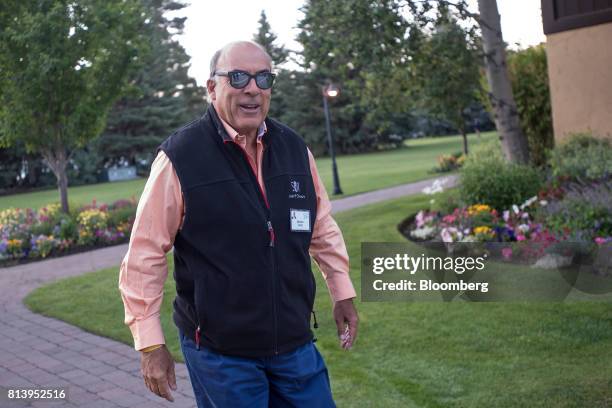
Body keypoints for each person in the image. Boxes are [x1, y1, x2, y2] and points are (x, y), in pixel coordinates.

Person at [119, 40, 359, 407]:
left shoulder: (294, 148)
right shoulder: (180, 156)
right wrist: (150, 343)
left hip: (294, 344)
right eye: (238, 77)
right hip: (221, 355)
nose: (252, 88)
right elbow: (145, 253)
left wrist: (342, 291)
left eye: (263, 78)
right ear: (212, 88)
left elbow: (320, 226)